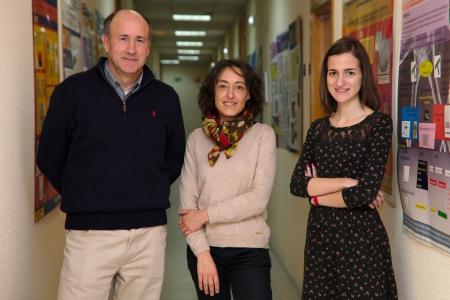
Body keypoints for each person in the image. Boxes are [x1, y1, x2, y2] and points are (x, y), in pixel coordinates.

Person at [37, 9, 185, 300]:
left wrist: (144, 190)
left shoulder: (166, 98)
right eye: (123, 38)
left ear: (148, 47)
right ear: (105, 42)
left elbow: (174, 158)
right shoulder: (72, 92)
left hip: (148, 235)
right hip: (89, 235)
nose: (131, 48)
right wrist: (85, 192)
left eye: (140, 40)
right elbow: (49, 155)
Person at [290, 37, 397, 299]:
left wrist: (316, 196)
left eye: (349, 72)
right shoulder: (318, 129)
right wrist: (348, 182)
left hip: (361, 243)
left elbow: (365, 194)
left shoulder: (378, 125)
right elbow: (296, 184)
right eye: (333, 73)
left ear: (363, 76)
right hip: (320, 242)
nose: (340, 82)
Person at [178, 59, 276, 300]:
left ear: (249, 95)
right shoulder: (196, 140)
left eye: (239, 87)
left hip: (249, 249)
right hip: (205, 250)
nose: (230, 94)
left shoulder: (263, 136)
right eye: (223, 86)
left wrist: (205, 214)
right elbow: (187, 208)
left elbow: (258, 199)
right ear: (213, 92)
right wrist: (201, 253)